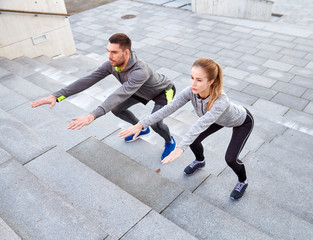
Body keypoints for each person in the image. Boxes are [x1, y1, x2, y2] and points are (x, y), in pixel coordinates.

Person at [119, 58, 254, 200]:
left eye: (199, 80)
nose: (193, 83)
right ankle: (200, 161)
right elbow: (169, 108)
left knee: (231, 159)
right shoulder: (191, 92)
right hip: (216, 119)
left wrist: (180, 147)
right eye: (192, 78)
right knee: (194, 141)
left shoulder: (221, 101)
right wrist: (141, 124)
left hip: (241, 122)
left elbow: (201, 124)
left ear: (211, 81)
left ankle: (243, 181)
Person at [31, 33, 177, 160]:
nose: (109, 56)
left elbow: (119, 94)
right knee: (117, 109)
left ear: (126, 53)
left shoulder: (140, 70)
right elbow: (88, 80)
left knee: (155, 122)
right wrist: (57, 96)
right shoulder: (111, 65)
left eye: (114, 52)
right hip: (139, 91)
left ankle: (170, 141)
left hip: (163, 91)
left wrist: (92, 116)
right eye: (108, 51)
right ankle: (141, 129)